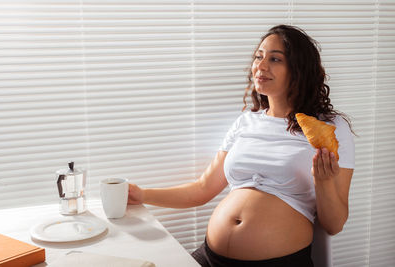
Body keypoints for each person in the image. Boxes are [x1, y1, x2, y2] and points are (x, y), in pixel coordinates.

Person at [127, 24, 355, 267]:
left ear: (299, 70)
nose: (261, 65)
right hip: (210, 257)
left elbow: (334, 224)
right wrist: (142, 194)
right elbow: (202, 189)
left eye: (275, 59)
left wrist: (324, 182)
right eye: (259, 56)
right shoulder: (246, 122)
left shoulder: (330, 128)